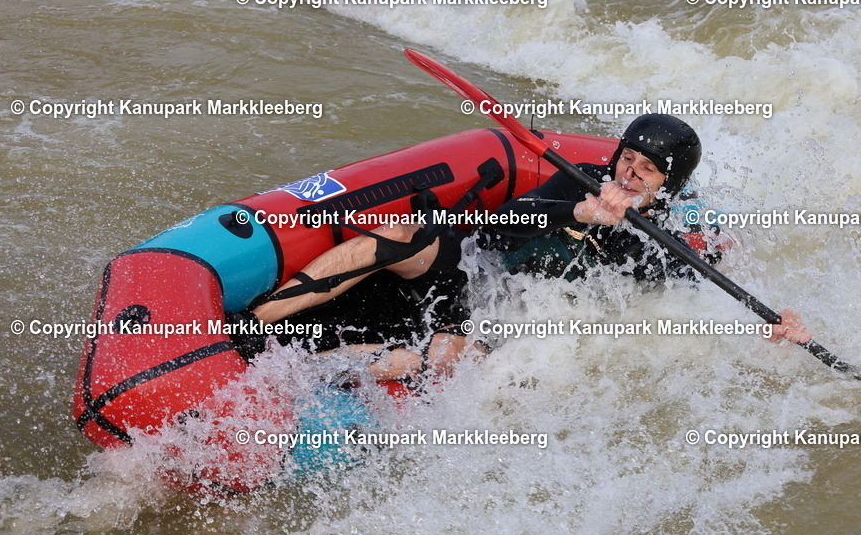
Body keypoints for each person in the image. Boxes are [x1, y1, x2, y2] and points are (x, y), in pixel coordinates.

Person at [232, 114, 811, 380]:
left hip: (498, 317)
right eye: (626, 160)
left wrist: (772, 329)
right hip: (467, 270)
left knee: (438, 366)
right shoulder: (580, 178)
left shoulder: (658, 243)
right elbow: (502, 221)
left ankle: (299, 375)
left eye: (647, 172)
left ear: (669, 187)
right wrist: (578, 209)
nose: (628, 175)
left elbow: (695, 301)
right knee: (408, 234)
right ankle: (254, 323)